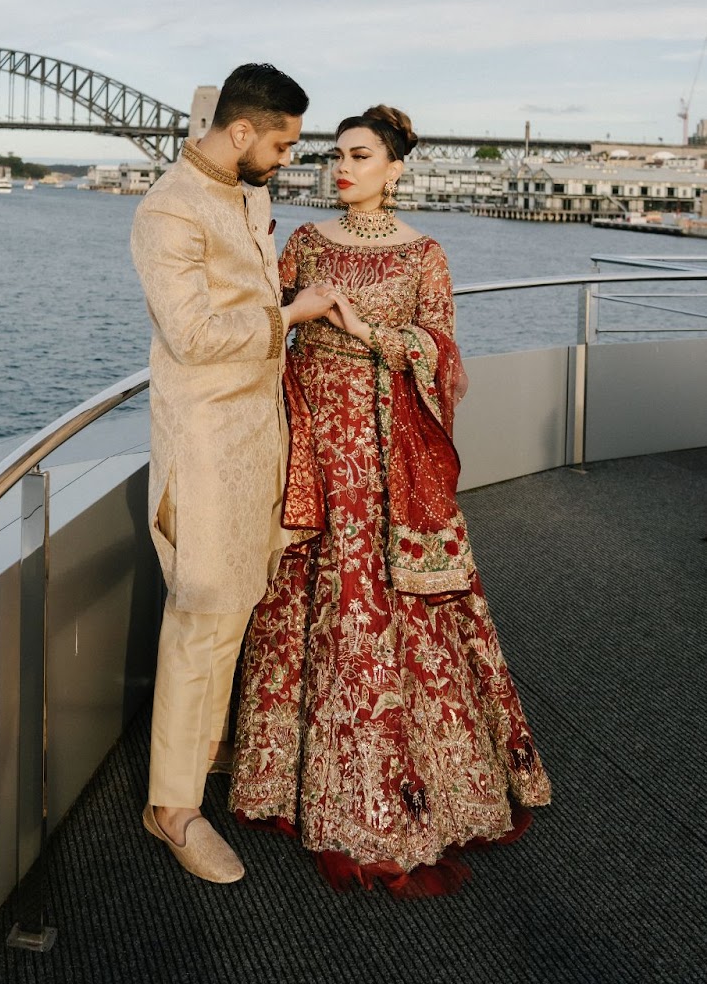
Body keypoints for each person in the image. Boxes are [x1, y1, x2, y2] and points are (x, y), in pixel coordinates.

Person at [230, 104, 551, 896]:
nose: (342, 169)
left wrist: (366, 330)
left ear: (396, 167)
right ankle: (283, 778)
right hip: (309, 437)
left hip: (381, 453)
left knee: (376, 602)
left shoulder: (424, 255)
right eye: (336, 155)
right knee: (303, 594)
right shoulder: (302, 243)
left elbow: (441, 355)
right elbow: (255, 320)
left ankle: (394, 790)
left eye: (360, 155)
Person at [131, 63, 339, 884]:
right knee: (205, 612)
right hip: (209, 441)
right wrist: (291, 313)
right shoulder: (167, 211)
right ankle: (171, 809)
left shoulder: (247, 194)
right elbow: (189, 334)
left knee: (237, 605)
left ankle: (203, 749)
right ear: (242, 131)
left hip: (260, 432)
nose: (290, 156)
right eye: (283, 142)